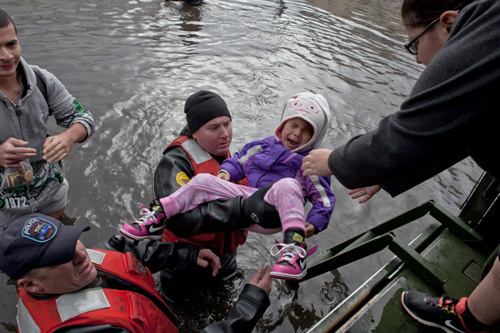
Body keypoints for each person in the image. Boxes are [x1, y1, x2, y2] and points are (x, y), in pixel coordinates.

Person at [301, 0, 499, 331]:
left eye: (414, 44)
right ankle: (469, 318)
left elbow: (405, 134)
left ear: (448, 23)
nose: (419, 59)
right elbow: (454, 131)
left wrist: (334, 160)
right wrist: (386, 174)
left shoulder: (483, 35)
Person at [120, 92, 335, 280]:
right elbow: (182, 221)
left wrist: (314, 223)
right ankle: (156, 215)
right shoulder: (175, 161)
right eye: (214, 127)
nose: (225, 134)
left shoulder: (224, 152)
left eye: (227, 124)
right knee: (203, 180)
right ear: (194, 132)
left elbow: (324, 198)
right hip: (185, 259)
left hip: (227, 252)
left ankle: (294, 252)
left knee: (287, 185)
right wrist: (244, 209)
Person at [0, 213, 271, 332]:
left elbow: (127, 257)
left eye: (71, 240)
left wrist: (187, 255)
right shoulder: (94, 331)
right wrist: (247, 307)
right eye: (60, 256)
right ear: (32, 285)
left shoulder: (72, 267)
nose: (81, 254)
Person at [0, 10, 95, 226]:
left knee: (62, 252)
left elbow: (83, 117)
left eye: (11, 44)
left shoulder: (43, 81)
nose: (6, 56)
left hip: (52, 199)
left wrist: (68, 137)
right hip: (4, 213)